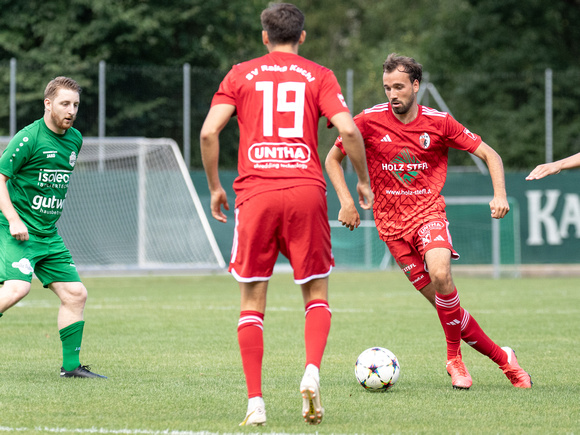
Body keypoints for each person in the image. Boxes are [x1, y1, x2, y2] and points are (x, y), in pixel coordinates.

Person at [200, 3, 373, 426]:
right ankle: (311, 371)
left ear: (264, 36)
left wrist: (215, 188)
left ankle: (255, 403)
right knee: (316, 294)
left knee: (252, 301)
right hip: (305, 193)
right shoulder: (320, 75)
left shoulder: (240, 73)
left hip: (256, 193)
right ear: (303, 36)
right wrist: (362, 181)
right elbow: (349, 130)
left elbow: (208, 131)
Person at [326, 53, 532, 390]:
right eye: (387, 87)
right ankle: (504, 359)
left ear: (416, 85)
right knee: (447, 307)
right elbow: (332, 160)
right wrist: (347, 201)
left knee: (441, 274)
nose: (393, 94)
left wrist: (500, 194)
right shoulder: (367, 121)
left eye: (399, 87)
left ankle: (454, 359)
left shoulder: (440, 122)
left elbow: (489, 155)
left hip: (428, 215)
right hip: (391, 229)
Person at [0, 76, 106, 379]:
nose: (70, 110)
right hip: (16, 231)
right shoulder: (28, 138)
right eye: (64, 103)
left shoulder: (75, 139)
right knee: (18, 288)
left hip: (48, 235)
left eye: (75, 104)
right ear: (48, 104)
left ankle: (71, 368)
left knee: (75, 294)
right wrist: (14, 219)